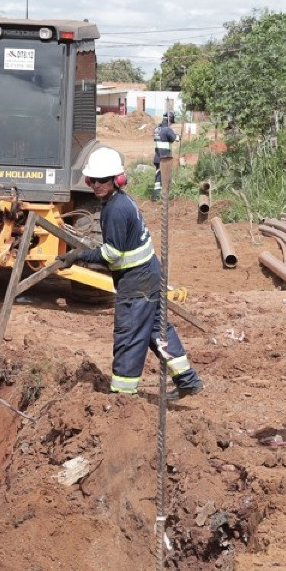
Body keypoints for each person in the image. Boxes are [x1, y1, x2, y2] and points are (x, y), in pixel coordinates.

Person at [59, 146, 204, 399]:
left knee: (129, 336)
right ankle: (187, 380)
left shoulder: (115, 210)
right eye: (93, 180)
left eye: (103, 180)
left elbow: (111, 255)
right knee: (156, 330)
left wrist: (78, 255)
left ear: (117, 180)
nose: (97, 185)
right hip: (149, 273)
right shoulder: (121, 202)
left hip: (136, 283)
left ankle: (122, 396)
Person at [151, 113, 178, 201]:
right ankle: (161, 197)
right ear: (169, 121)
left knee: (158, 177)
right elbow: (174, 138)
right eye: (171, 122)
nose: (171, 124)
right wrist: (178, 136)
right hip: (165, 158)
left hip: (157, 156)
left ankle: (156, 196)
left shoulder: (157, 129)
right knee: (164, 177)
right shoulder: (167, 130)